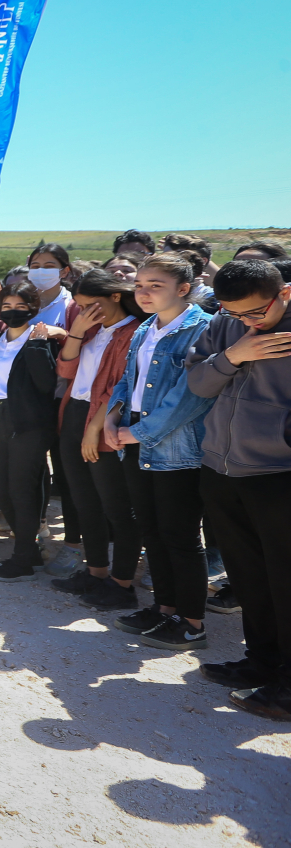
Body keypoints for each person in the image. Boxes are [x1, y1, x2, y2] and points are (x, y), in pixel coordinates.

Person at [184, 259, 291, 720]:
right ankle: (261, 662)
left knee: (285, 581)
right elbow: (198, 383)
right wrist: (234, 354)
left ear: (284, 293)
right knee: (248, 576)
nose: (246, 322)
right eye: (233, 313)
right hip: (221, 468)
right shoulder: (226, 326)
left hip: (278, 474)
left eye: (255, 312)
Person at [99, 253, 215, 648]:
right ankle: (164, 609)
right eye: (139, 285)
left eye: (155, 286)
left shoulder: (203, 329)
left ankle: (192, 623)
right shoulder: (146, 327)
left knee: (180, 535)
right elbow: (127, 379)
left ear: (183, 289)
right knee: (152, 529)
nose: (143, 293)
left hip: (176, 447)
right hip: (135, 438)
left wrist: (137, 433)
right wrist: (112, 418)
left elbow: (191, 397)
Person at [51, 268, 145, 609]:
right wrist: (76, 332)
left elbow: (121, 386)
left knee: (116, 506)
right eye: (79, 305)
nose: (85, 311)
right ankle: (96, 573)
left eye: (91, 304)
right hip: (74, 414)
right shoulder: (90, 330)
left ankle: (122, 585)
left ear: (115, 296)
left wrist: (94, 428)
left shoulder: (134, 332)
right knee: (84, 501)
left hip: (104, 422)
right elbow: (65, 370)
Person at [0, 281, 59, 581]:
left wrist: (37, 343)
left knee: (22, 491)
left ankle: (22, 560)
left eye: (21, 307)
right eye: (7, 306)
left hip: (28, 423)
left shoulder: (40, 338)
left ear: (33, 309)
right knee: (2, 490)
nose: (13, 312)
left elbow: (45, 383)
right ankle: (29, 551)